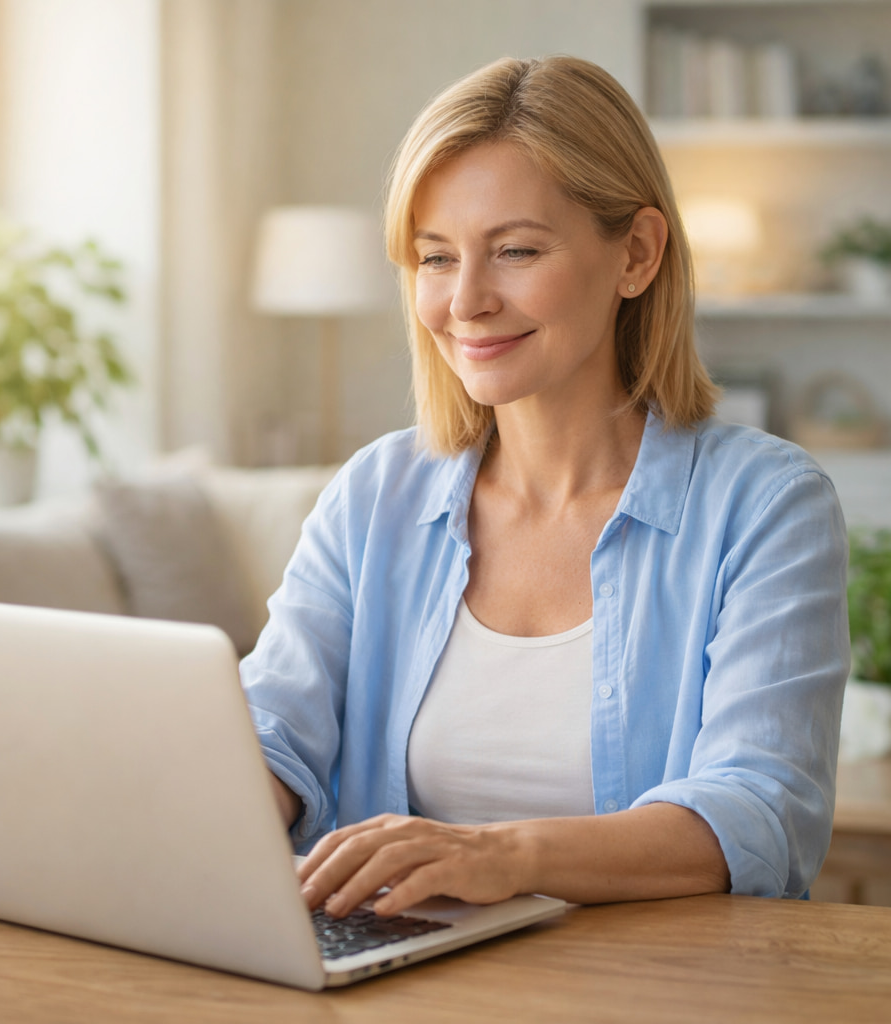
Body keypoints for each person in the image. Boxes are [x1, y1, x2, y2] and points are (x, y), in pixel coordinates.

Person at [240, 55, 849, 918]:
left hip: (655, 980)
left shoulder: (766, 504)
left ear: (637, 254)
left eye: (516, 251)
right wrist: (190, 807)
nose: (466, 301)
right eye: (436, 258)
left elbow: (760, 812)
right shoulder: (374, 494)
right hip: (394, 972)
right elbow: (271, 732)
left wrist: (501, 856)